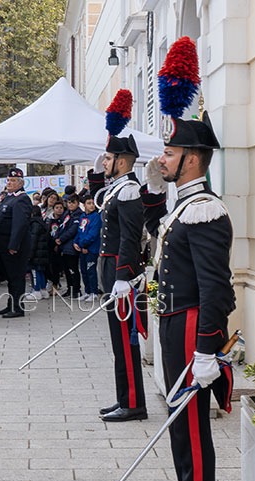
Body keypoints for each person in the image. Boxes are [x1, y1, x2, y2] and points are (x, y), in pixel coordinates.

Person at [140, 112, 234, 481]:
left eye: (170, 153)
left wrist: (207, 349)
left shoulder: (206, 211)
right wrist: (155, 188)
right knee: (180, 428)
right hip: (174, 322)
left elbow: (217, 287)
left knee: (193, 429)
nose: (163, 159)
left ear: (193, 160)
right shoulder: (183, 205)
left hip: (194, 326)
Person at [89, 134, 156, 423]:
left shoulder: (129, 190)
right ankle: (124, 398)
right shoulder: (117, 188)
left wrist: (123, 276)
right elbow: (99, 201)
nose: (104, 162)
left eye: (108, 158)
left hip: (122, 274)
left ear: (122, 161)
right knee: (118, 342)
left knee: (126, 343)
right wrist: (95, 176)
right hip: (111, 271)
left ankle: (133, 405)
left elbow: (129, 237)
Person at [0, 167, 32, 317]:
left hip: (14, 248)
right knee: (10, 278)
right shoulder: (8, 197)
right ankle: (11, 305)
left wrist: (14, 245)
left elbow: (20, 225)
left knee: (16, 278)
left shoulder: (22, 199)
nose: (9, 183)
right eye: (8, 180)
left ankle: (17, 308)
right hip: (2, 246)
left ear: (20, 183)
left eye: (13, 180)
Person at [54, 195, 84, 298]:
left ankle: (76, 289)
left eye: (73, 202)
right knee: (66, 269)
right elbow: (61, 226)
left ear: (77, 203)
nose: (70, 204)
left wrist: (61, 238)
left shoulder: (78, 214)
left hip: (71, 245)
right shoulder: (67, 213)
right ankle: (70, 288)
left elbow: (73, 230)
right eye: (69, 202)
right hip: (63, 245)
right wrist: (57, 237)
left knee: (73, 269)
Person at [73, 196, 101, 301]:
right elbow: (80, 231)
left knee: (91, 270)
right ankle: (87, 291)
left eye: (93, 203)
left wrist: (84, 245)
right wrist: (75, 242)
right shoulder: (82, 217)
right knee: (83, 271)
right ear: (84, 205)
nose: (91, 205)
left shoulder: (96, 217)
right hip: (82, 248)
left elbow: (92, 234)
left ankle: (94, 292)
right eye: (89, 203)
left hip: (91, 249)